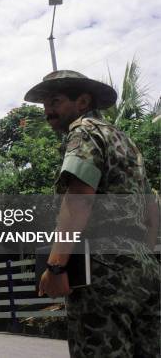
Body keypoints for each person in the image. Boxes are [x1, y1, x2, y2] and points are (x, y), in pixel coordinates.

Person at [27, 70, 160, 357]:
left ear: (83, 102)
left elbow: (79, 200)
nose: (48, 109)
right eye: (45, 104)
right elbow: (152, 211)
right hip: (145, 269)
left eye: (56, 100)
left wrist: (56, 266)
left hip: (101, 270)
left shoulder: (84, 131)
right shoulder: (128, 144)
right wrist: (138, 259)